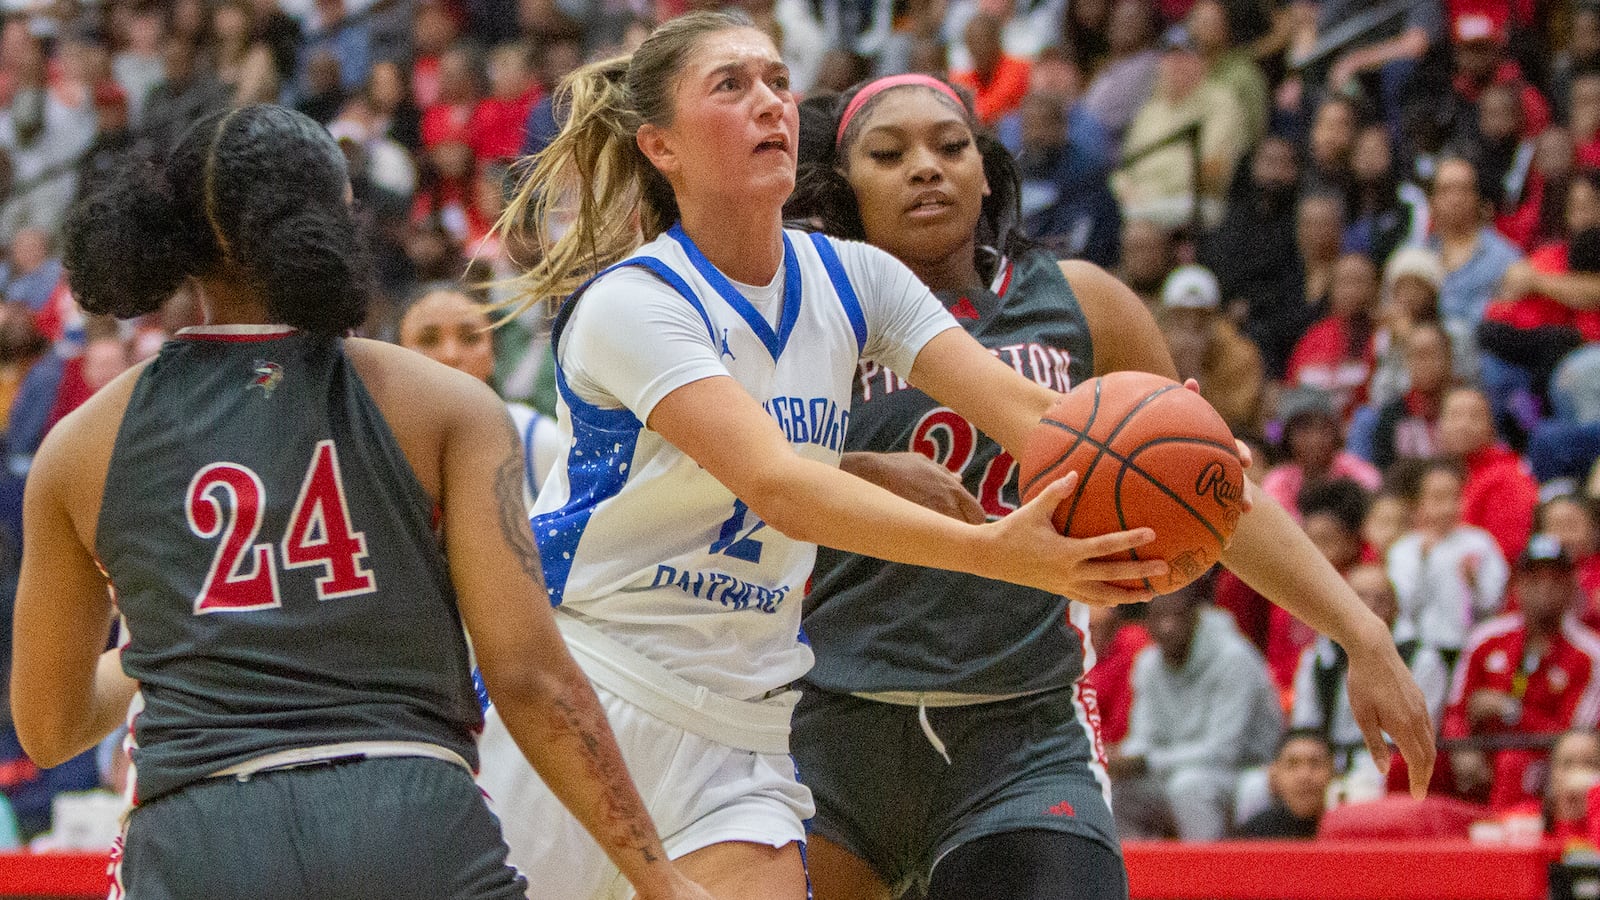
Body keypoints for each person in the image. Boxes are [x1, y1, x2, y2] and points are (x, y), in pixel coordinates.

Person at [473, 14, 1185, 900]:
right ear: (661, 145)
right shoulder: (634, 302)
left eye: (776, 80)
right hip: (594, 687)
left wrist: (1155, 460)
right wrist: (995, 551)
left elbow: (1032, 411)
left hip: (743, 726)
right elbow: (777, 484)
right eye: (730, 86)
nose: (769, 102)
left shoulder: (858, 278)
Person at [7, 104, 708, 900]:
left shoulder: (78, 446)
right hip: (407, 807)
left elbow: (51, 726)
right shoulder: (444, 405)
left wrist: (183, 642)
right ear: (336, 219)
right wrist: (663, 881)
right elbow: (528, 675)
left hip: (199, 830)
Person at [785, 70, 1433, 897]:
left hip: (1018, 731)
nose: (927, 167)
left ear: (987, 172)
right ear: (846, 187)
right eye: (890, 153)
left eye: (951, 147)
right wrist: (866, 471)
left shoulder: (1082, 303)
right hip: (833, 725)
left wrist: (1362, 635)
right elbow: (735, 478)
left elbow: (1213, 490)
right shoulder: (805, 320)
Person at [1111, 581, 1284, 841]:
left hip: (1249, 769)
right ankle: (1140, 877)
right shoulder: (1147, 663)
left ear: (1197, 616)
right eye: (1158, 618)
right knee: (1120, 789)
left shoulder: (1234, 658)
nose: (1166, 627)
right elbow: (1143, 739)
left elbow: (1224, 750)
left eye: (1176, 616)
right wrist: (1120, 757)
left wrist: (1146, 761)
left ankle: (1208, 876)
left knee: (1190, 787)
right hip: (1177, 769)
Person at [1444, 535, 1600, 808]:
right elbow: (1456, 711)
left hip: (1544, 765)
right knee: (1410, 762)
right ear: (1517, 585)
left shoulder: (1588, 654)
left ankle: (1502, 843)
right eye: (1534, 579)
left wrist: (1511, 710)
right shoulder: (1485, 639)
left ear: (1570, 587)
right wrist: (1462, 749)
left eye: (1555, 580)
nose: (1544, 589)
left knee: (1513, 763)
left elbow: (1573, 740)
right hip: (1479, 755)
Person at [397, 287, 562, 507]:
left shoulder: (537, 440)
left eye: (470, 338)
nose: (451, 355)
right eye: (428, 340)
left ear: (494, 353)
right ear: (394, 356)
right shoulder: (378, 450)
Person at [1232, 729, 1337, 839]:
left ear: (1334, 771)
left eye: (1315, 764)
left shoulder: (1350, 830)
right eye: (1292, 765)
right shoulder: (1254, 835)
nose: (1304, 776)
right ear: (1274, 775)